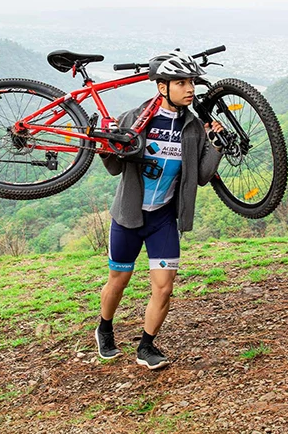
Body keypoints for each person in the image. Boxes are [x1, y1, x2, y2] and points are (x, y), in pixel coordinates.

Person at [92, 52, 224, 370]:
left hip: (162, 217)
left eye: (191, 82)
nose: (190, 88)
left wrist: (216, 144)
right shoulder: (135, 118)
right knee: (118, 280)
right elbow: (113, 167)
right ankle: (104, 327)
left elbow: (202, 176)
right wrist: (102, 143)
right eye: (181, 83)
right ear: (162, 87)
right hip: (128, 216)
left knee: (164, 286)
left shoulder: (193, 127)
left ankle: (146, 346)